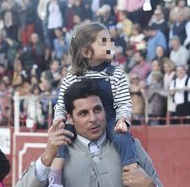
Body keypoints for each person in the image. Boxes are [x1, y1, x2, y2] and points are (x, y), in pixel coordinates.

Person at [15, 79, 163, 187]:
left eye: (97, 110)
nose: (93, 119)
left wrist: (150, 186)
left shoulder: (131, 147)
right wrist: (47, 156)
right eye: (83, 113)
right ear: (70, 118)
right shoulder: (55, 156)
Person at [50, 22, 138, 186]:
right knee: (60, 138)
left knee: (123, 138)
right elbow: (62, 103)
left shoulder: (116, 73)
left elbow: (124, 102)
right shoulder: (72, 76)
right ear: (85, 52)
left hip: (109, 118)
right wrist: (59, 119)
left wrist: (122, 120)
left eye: (110, 40)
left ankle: (131, 169)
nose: (110, 44)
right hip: (77, 123)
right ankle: (55, 175)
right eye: (103, 41)